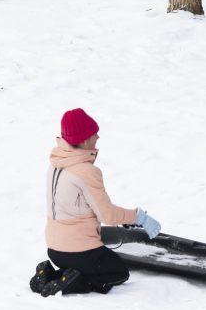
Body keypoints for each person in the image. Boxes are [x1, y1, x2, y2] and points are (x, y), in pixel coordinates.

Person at [31, 108, 161, 297]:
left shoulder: (56, 165)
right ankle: (72, 283)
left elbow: (81, 206)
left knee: (88, 265)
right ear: (84, 140)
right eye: (94, 134)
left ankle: (51, 275)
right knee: (118, 272)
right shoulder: (86, 171)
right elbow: (107, 214)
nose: (98, 137)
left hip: (54, 250)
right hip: (79, 251)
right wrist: (139, 217)